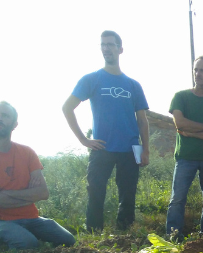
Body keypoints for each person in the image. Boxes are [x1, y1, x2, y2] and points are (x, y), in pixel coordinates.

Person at [62, 30, 150, 232]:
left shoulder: (133, 85)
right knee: (95, 192)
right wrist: (84, 140)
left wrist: (146, 150)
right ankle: (94, 234)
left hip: (130, 148)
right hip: (102, 147)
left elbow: (143, 121)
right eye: (103, 44)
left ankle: (125, 233)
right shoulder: (91, 79)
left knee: (127, 194)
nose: (106, 48)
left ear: (120, 49)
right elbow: (67, 108)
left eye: (110, 44)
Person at [0, 102, 76, 250]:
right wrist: (28, 196)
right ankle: (4, 245)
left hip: (31, 218)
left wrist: (4, 194)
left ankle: (24, 236)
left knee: (68, 240)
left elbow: (43, 193)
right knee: (28, 244)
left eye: (5, 115)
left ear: (14, 124)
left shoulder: (27, 152)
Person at [166, 56, 203, 240]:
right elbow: (179, 123)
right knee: (177, 200)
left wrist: (192, 132)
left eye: (202, 71)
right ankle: (173, 237)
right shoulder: (180, 97)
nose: (198, 74)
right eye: (196, 70)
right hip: (185, 157)